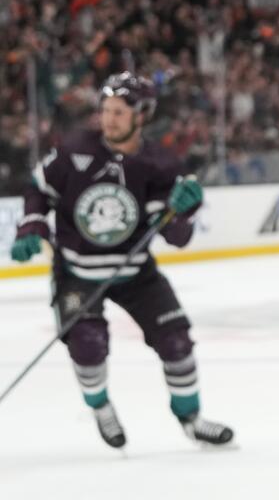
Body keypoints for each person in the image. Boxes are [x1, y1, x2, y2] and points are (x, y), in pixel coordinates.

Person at [8, 72, 234, 448]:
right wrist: (31, 226)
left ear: (141, 115)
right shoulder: (75, 148)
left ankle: (192, 419)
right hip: (77, 273)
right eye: (106, 110)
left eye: (118, 112)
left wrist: (183, 211)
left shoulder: (160, 165)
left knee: (176, 342)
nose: (108, 118)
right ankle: (100, 406)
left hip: (135, 273)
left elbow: (177, 238)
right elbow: (38, 189)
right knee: (88, 344)